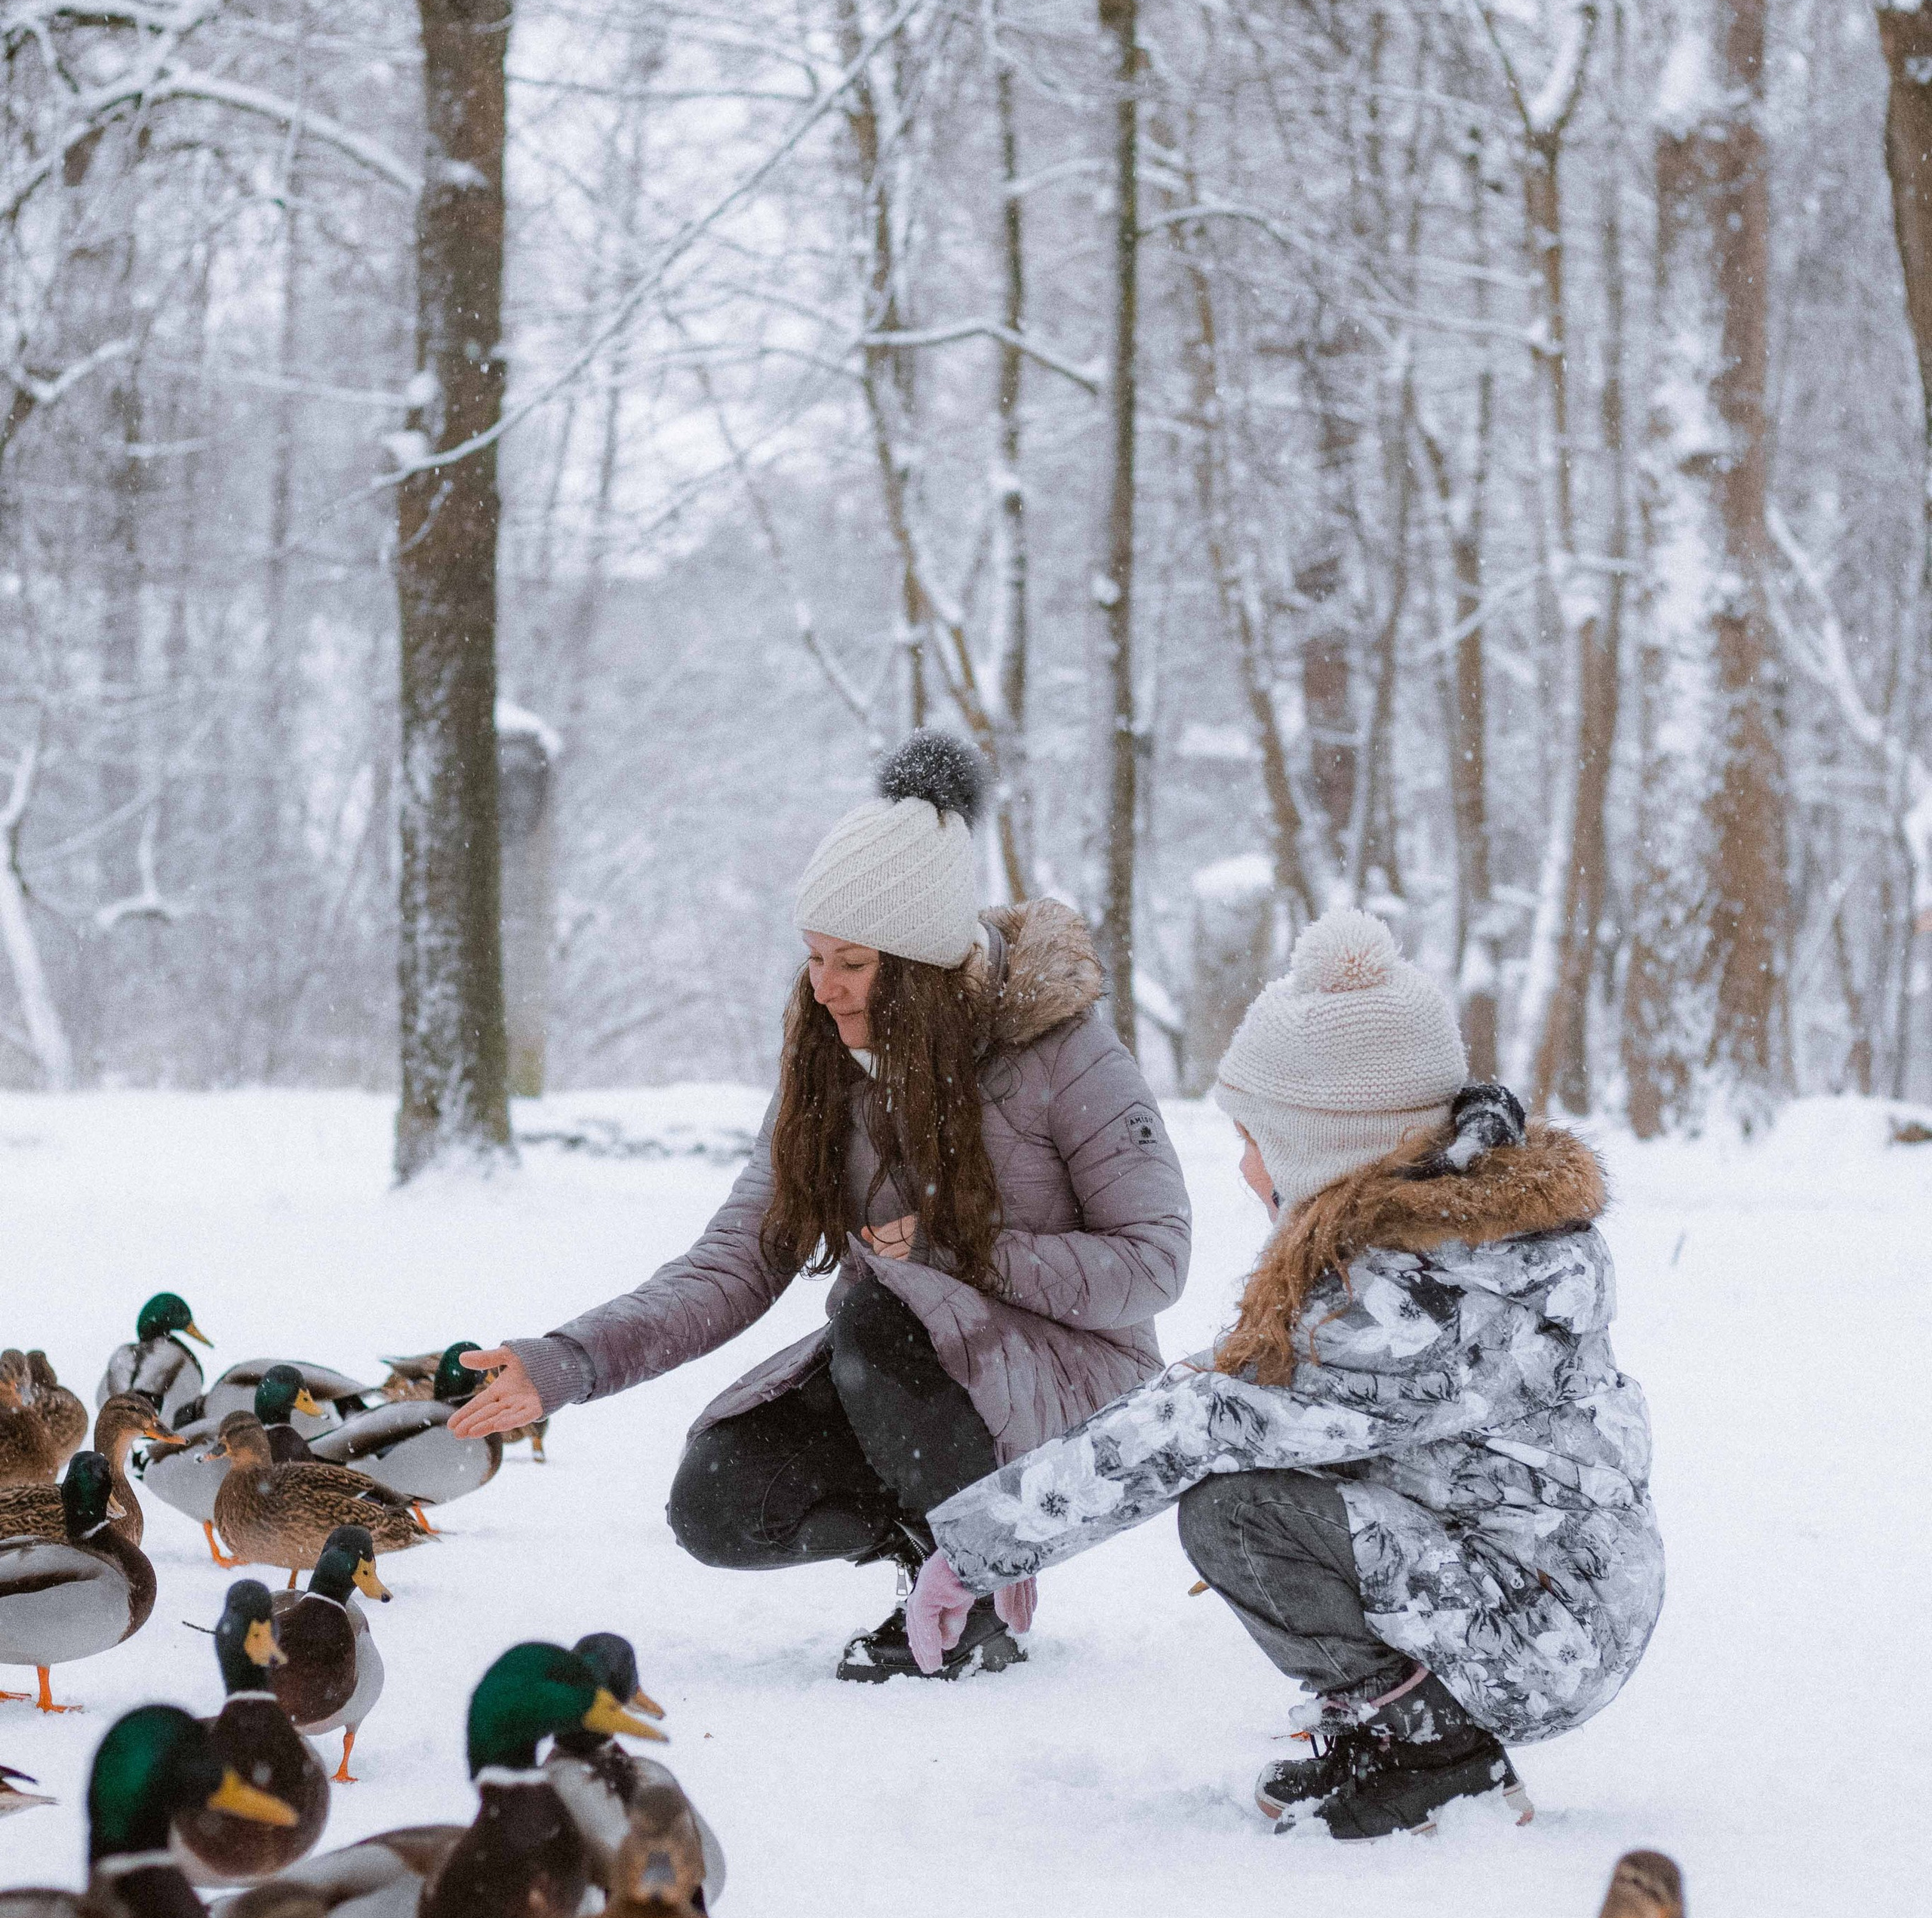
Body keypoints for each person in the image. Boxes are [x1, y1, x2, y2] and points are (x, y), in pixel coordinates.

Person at [908, 905, 1664, 1839]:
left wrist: (972, 1554)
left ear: (1326, 1147)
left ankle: (1437, 1751)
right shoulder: (1468, 1243)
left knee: (1237, 1512)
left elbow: (1194, 1420)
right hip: (1553, 1584)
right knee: (1265, 1482)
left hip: (1540, 1630)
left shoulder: (1405, 1308)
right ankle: (1399, 1724)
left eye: (1255, 1137)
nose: (1241, 1164)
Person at [451, 732, 1192, 1681]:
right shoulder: (830, 1065)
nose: (822, 986)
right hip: (920, 1370)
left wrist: (955, 1253)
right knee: (723, 1500)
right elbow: (736, 1261)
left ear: (921, 965)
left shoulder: (1064, 1053)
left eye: (851, 961)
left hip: (1078, 1386)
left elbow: (1154, 1264)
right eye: (813, 957)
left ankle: (973, 1589)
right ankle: (940, 1549)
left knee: (875, 1306)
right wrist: (571, 1361)